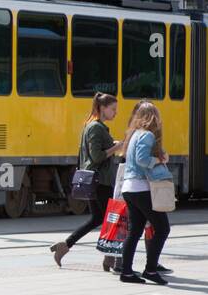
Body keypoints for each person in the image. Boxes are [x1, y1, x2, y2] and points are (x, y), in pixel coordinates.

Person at [51, 93, 126, 269]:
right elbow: (97, 156)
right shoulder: (96, 128)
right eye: (113, 109)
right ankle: (113, 259)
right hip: (100, 181)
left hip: (94, 180)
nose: (115, 113)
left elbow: (95, 151)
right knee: (112, 220)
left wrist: (112, 144)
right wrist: (117, 146)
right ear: (102, 108)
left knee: (98, 219)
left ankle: (65, 246)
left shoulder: (90, 126)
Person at [117, 101, 174, 285]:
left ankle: (126, 272)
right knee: (163, 228)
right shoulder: (148, 135)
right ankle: (150, 269)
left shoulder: (133, 134)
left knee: (134, 231)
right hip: (141, 188)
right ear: (153, 117)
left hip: (129, 188)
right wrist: (157, 159)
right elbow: (142, 160)